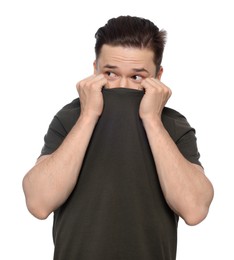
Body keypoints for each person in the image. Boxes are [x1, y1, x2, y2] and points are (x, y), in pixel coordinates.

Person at [22, 15, 214, 260]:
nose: (122, 86)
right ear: (94, 71)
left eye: (137, 77)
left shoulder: (172, 124)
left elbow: (194, 209)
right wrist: (89, 115)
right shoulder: (70, 118)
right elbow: (39, 203)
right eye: (110, 74)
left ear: (158, 76)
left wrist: (152, 120)